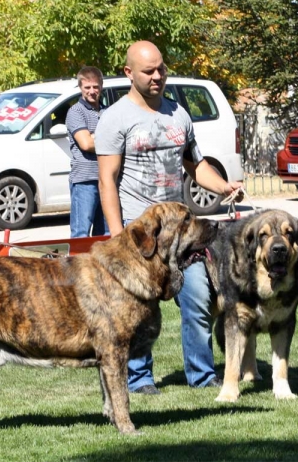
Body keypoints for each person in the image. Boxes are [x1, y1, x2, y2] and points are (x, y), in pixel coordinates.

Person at [95, 40, 243, 394]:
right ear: (129, 73)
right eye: (149, 71)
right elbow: (107, 179)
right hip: (140, 234)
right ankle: (140, 379)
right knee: (137, 309)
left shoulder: (178, 113)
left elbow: (195, 165)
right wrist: (118, 235)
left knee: (197, 299)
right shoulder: (114, 118)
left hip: (183, 234)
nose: (158, 75)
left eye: (161, 68)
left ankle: (202, 377)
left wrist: (222, 186)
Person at [65, 66, 109, 238]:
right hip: (84, 180)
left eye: (95, 87)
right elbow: (86, 144)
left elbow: (121, 140)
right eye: (87, 87)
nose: (92, 91)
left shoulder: (108, 112)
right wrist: (107, 141)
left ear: (101, 86)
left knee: (105, 234)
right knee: (81, 234)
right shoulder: (75, 112)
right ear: (80, 88)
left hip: (107, 179)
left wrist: (95, 137)